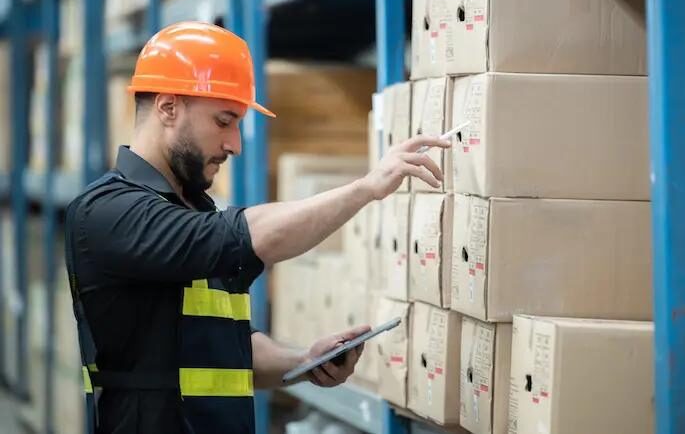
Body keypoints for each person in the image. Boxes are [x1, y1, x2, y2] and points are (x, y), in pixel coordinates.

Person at [64, 21, 450, 434]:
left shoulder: (192, 212)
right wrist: (367, 188)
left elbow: (226, 346)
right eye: (224, 121)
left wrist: (302, 362)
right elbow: (247, 235)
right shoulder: (107, 213)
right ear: (168, 107)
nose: (235, 144)